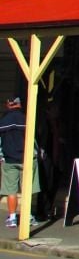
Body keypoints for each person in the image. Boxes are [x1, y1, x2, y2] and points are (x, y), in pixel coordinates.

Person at [0, 97, 39, 229]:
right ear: (20, 105)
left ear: (8, 105)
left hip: (9, 159)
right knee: (28, 189)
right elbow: (34, 140)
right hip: (27, 159)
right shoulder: (27, 119)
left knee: (11, 190)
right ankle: (27, 216)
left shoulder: (3, 122)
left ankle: (12, 217)